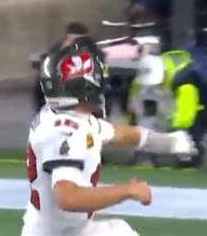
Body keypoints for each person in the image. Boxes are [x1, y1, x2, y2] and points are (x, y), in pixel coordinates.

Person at [21, 39, 196, 236]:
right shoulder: (64, 130)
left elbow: (119, 134)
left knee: (119, 231)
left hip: (69, 229)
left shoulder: (71, 118)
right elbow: (68, 198)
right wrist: (127, 190)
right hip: (56, 233)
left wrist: (167, 142)